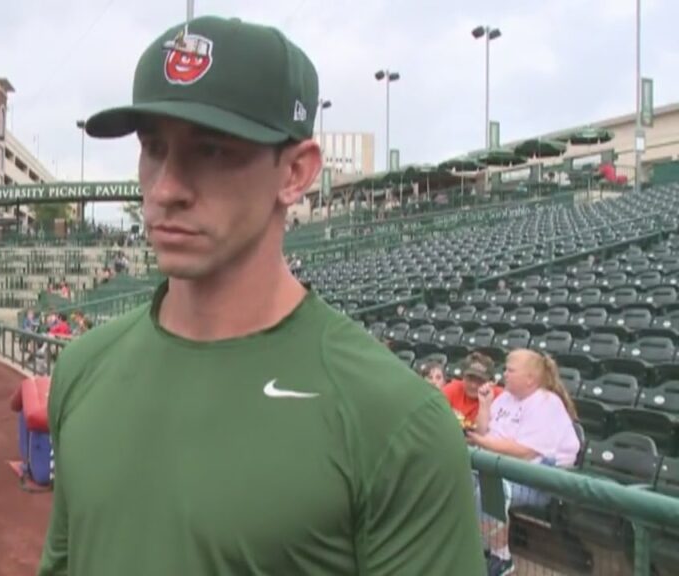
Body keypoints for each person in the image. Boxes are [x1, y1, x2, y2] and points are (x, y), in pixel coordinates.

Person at [38, 15, 485, 576]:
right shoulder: (83, 368)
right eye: (154, 147)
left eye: (212, 151)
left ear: (295, 172)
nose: (166, 188)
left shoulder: (396, 422)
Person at [466, 349, 581, 576]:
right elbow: (483, 430)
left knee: (492, 487)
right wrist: (485, 404)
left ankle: (501, 558)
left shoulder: (546, 403)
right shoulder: (506, 398)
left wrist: (479, 442)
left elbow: (524, 453)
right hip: (501, 466)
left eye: (511, 370)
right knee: (462, 477)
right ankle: (475, 548)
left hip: (539, 478)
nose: (504, 374)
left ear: (530, 378)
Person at [443, 352, 503, 429]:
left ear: (491, 382)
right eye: (470, 379)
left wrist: (485, 404)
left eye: (480, 381)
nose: (473, 385)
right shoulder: (452, 388)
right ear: (463, 376)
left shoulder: (499, 397)